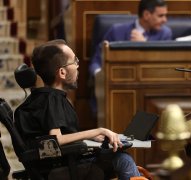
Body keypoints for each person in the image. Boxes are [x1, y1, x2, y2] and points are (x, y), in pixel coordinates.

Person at [14, 39, 141, 180]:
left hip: (57, 164)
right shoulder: (52, 99)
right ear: (62, 72)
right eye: (75, 62)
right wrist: (99, 131)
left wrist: (91, 137)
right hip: (63, 167)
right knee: (123, 159)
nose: (77, 66)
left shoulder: (42, 98)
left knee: (117, 155)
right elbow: (55, 140)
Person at [89, 0, 172, 76]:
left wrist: (145, 45)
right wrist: (99, 76)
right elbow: (97, 61)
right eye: (161, 16)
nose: (165, 20)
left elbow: (164, 66)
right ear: (146, 15)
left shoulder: (165, 34)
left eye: (165, 15)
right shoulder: (116, 31)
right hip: (118, 80)